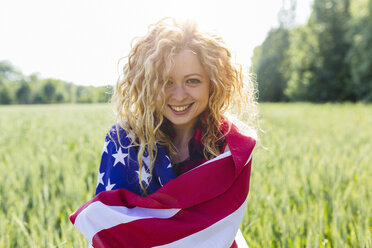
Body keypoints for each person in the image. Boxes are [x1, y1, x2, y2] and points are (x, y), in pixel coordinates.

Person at [70, 17, 257, 248]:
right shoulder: (124, 141)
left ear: (213, 82)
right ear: (148, 84)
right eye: (166, 82)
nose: (179, 95)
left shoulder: (230, 147)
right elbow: (111, 227)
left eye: (192, 81)